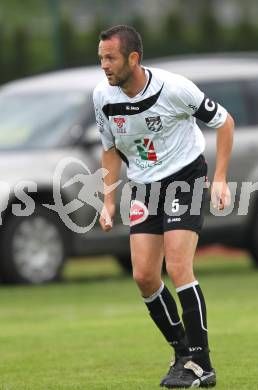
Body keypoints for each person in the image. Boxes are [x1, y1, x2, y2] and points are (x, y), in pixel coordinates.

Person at [93, 25, 234, 388]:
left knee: (177, 265)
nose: (104, 65)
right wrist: (108, 200)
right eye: (101, 58)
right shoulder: (102, 97)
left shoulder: (174, 89)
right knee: (144, 276)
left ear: (133, 58)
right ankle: (183, 354)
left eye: (110, 58)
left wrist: (219, 178)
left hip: (185, 176)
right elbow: (109, 150)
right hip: (144, 186)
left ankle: (202, 363)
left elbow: (225, 122)